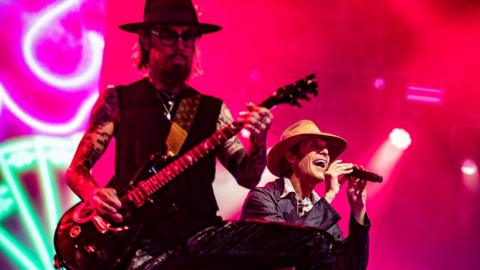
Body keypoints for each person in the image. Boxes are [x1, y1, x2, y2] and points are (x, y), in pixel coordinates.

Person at [64, 0, 272, 268]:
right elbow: (76, 171)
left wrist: (259, 139)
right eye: (168, 35)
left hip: (199, 239)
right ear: (145, 40)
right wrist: (95, 195)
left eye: (188, 36)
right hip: (138, 242)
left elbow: (248, 177)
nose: (180, 45)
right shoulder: (118, 100)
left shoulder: (213, 109)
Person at [241, 119, 370, 270]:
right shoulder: (262, 199)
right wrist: (329, 196)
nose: (326, 152)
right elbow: (286, 248)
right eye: (315, 145)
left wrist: (358, 209)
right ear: (291, 157)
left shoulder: (324, 214)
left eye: (326, 148)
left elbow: (350, 266)